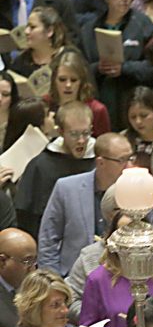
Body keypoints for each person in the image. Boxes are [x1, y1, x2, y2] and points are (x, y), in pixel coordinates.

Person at [36, 132, 132, 277]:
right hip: (74, 280)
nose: (129, 165)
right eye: (122, 160)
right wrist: (53, 280)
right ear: (101, 162)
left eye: (130, 158)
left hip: (121, 277)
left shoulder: (137, 193)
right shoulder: (66, 188)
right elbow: (48, 239)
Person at [80, 0, 153, 131]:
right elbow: (81, 67)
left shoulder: (142, 24)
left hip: (131, 102)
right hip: (100, 101)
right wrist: (98, 68)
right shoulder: (89, 29)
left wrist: (124, 68)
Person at [14, 99, 94, 238]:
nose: (81, 140)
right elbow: (27, 216)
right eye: (74, 134)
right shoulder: (41, 165)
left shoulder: (99, 160)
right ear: (61, 132)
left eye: (86, 133)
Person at [47, 48, 110, 137]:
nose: (68, 85)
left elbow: (104, 147)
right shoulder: (45, 104)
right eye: (62, 79)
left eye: (73, 80)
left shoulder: (97, 110)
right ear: (54, 80)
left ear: (82, 82)